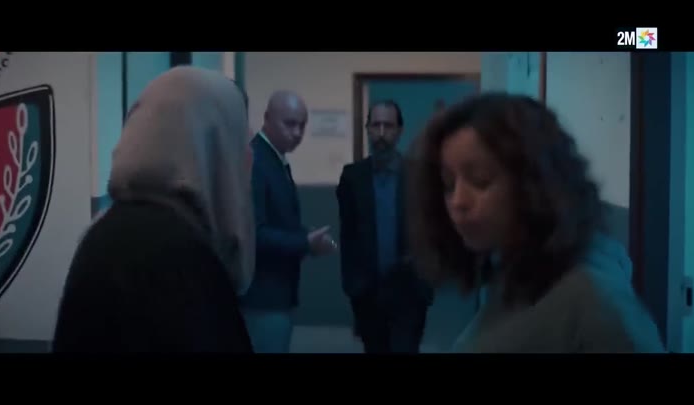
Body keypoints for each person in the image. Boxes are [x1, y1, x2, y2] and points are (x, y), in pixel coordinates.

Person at [407, 92, 665, 353]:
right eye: (449, 185)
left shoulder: (593, 297)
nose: (458, 201)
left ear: (535, 183)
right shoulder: (506, 275)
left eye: (480, 180)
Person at [52, 66, 255, 353]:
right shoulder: (175, 255)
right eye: (239, 142)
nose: (249, 156)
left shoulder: (113, 231)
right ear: (211, 147)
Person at [239, 90, 337, 353]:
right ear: (267, 119)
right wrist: (304, 242)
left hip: (275, 293)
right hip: (262, 296)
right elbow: (255, 234)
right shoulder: (257, 161)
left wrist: (306, 238)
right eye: (289, 124)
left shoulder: (274, 160)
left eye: (302, 125)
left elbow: (276, 224)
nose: (297, 133)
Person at [336, 100, 433, 354]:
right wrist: (352, 286)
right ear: (367, 129)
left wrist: (426, 284)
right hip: (368, 292)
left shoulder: (420, 175)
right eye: (375, 125)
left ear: (399, 131)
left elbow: (431, 233)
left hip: (410, 292)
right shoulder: (352, 177)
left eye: (388, 126)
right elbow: (348, 235)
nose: (381, 133)